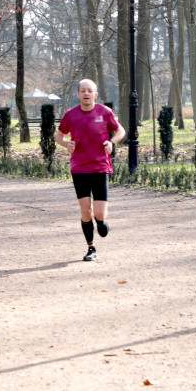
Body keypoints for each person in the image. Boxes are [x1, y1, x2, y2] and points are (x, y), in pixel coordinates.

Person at [56, 79, 126, 261]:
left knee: (99, 214)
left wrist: (111, 142)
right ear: (78, 94)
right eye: (83, 91)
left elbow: (120, 131)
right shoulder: (71, 115)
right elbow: (58, 134)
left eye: (90, 91)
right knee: (86, 211)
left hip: (100, 166)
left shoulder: (105, 112)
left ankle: (101, 222)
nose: (86, 94)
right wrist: (65, 143)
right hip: (79, 168)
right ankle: (91, 248)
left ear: (95, 94)